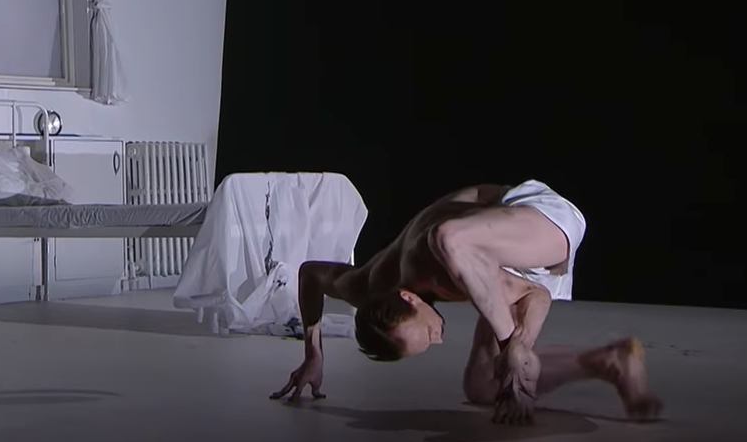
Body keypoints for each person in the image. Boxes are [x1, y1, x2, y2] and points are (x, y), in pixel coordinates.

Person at [269, 180, 663, 425]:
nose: (440, 338)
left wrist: (516, 346)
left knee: (446, 239)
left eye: (428, 331)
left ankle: (514, 351)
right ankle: (610, 361)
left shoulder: (442, 271)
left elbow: (536, 294)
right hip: (494, 253)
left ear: (409, 296)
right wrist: (313, 355)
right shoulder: (366, 286)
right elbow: (311, 274)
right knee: (481, 387)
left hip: (534, 216)